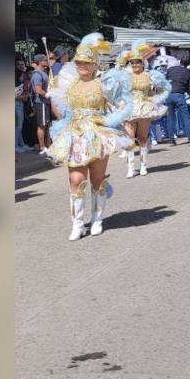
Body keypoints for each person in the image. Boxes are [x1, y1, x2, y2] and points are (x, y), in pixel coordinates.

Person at [47, 33, 134, 241]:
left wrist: (108, 120)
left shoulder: (104, 83)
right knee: (76, 179)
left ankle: (97, 219)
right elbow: (57, 106)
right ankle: (77, 224)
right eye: (78, 62)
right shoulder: (68, 82)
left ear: (94, 63)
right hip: (74, 135)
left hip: (97, 134)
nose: (81, 65)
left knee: (97, 179)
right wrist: (65, 120)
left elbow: (123, 105)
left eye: (86, 62)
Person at [118, 39, 170, 178]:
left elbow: (161, 88)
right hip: (129, 108)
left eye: (137, 62)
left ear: (142, 63)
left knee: (142, 138)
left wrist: (154, 98)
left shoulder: (149, 76)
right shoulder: (125, 76)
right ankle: (130, 168)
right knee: (129, 139)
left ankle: (143, 166)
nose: (135, 64)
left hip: (144, 108)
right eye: (132, 62)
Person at [164, 56, 190, 146]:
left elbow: (165, 81)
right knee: (186, 117)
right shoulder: (188, 72)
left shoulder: (170, 69)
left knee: (170, 118)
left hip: (168, 95)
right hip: (179, 94)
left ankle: (171, 140)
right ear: (188, 64)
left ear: (180, 61)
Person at [30, 53, 52, 154]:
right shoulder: (37, 74)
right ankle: (42, 147)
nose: (46, 61)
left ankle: (48, 146)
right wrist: (47, 94)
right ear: (39, 62)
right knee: (42, 125)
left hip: (45, 102)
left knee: (46, 124)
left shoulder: (43, 72)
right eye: (44, 60)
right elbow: (37, 90)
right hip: (41, 103)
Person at [15, 57, 34, 152]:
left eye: (22, 64)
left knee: (20, 125)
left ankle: (21, 144)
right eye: (18, 64)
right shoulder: (15, 77)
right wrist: (22, 97)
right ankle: (16, 146)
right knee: (17, 126)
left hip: (21, 103)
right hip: (16, 103)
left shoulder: (24, 76)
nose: (21, 66)